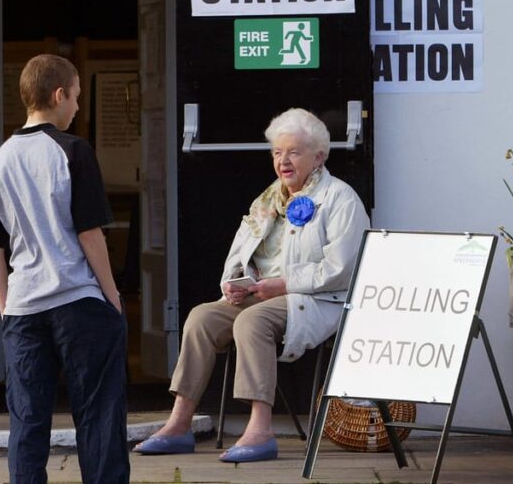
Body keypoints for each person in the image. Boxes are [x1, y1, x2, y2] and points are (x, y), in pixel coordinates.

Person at [133, 108, 370, 462]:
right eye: (277, 152)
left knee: (251, 321)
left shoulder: (339, 198)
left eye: (293, 152)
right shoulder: (268, 199)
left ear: (319, 156)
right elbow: (240, 251)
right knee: (201, 318)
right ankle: (179, 423)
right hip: (265, 295)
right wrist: (234, 283)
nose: (283, 161)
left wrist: (284, 285)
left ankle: (260, 429)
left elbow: (341, 269)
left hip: (317, 299)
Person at [0, 54, 129, 483]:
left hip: (25, 308)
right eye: (77, 97)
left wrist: (7, 307)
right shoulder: (73, 150)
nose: (78, 107)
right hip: (77, 299)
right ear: (59, 94)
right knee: (98, 413)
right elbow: (89, 234)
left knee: (27, 421)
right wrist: (113, 296)